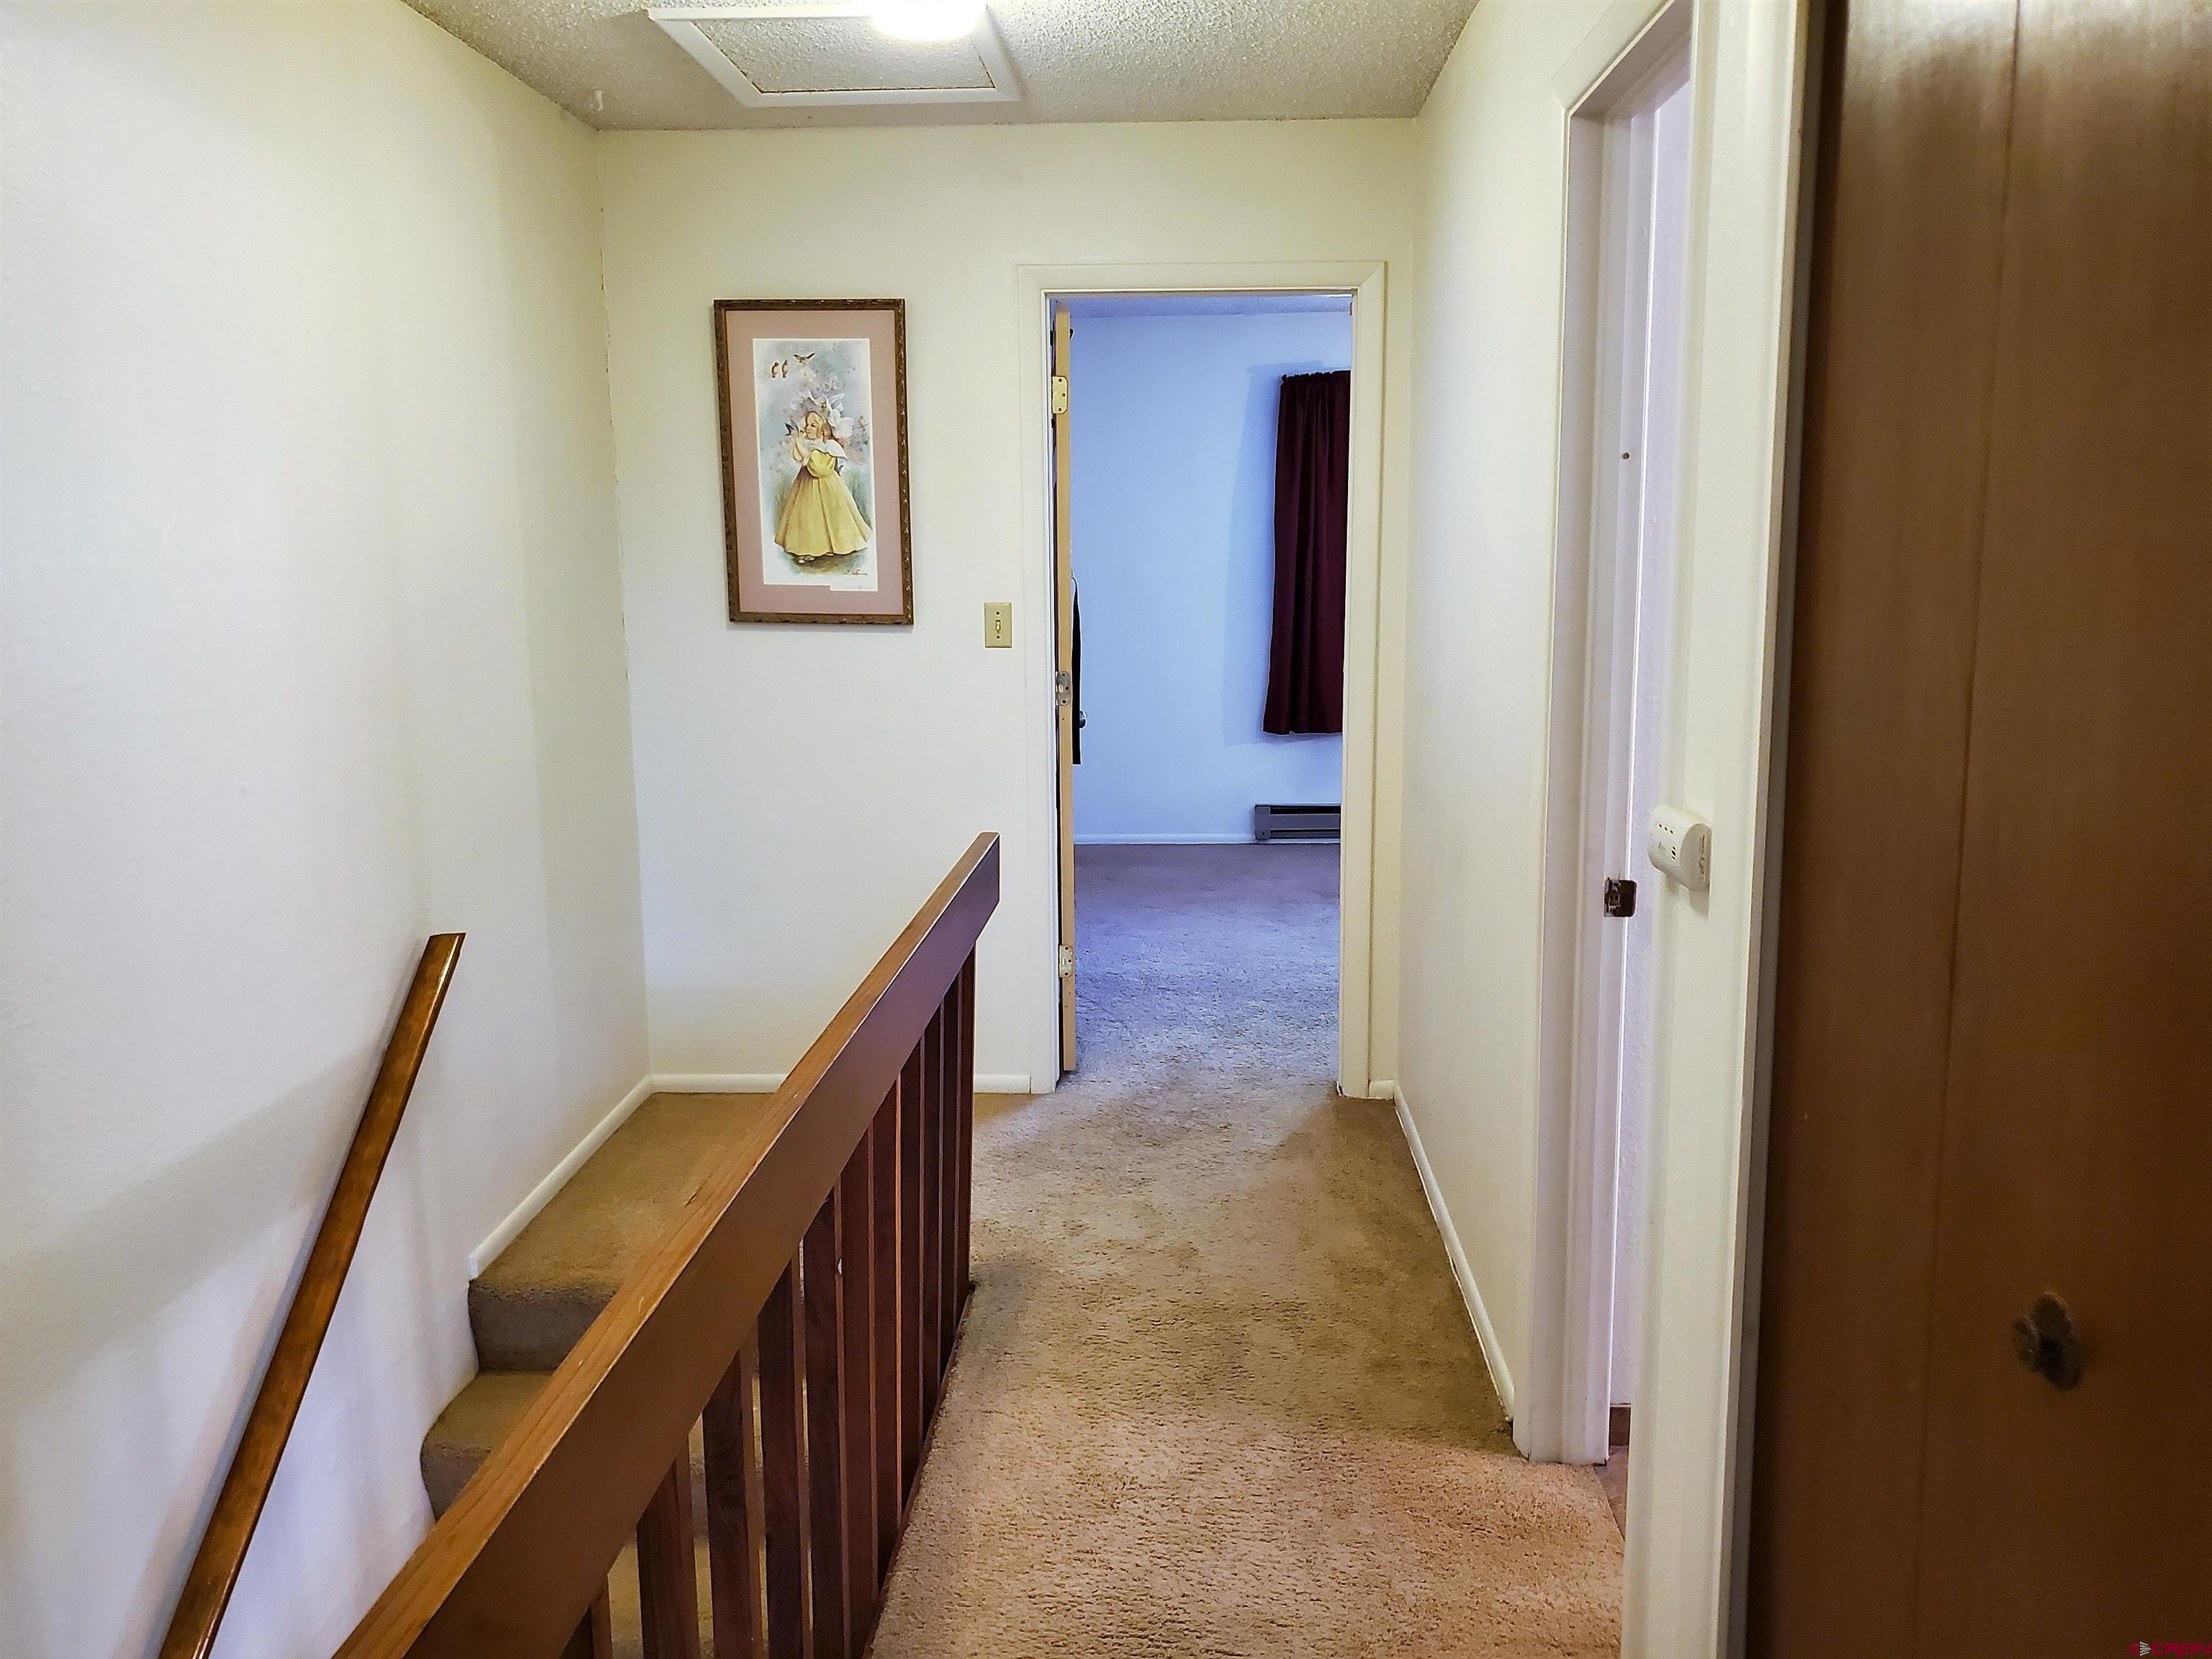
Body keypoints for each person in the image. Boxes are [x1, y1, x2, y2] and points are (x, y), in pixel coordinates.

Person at [775, 407, 871, 565]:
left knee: (829, 517)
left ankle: (831, 547)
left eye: (813, 425)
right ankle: (809, 549)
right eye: (807, 424)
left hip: (827, 486)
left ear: (822, 428)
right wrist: (797, 443)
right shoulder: (810, 444)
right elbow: (801, 459)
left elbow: (819, 468)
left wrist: (799, 443)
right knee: (809, 517)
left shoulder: (831, 447)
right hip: (807, 486)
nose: (807, 428)